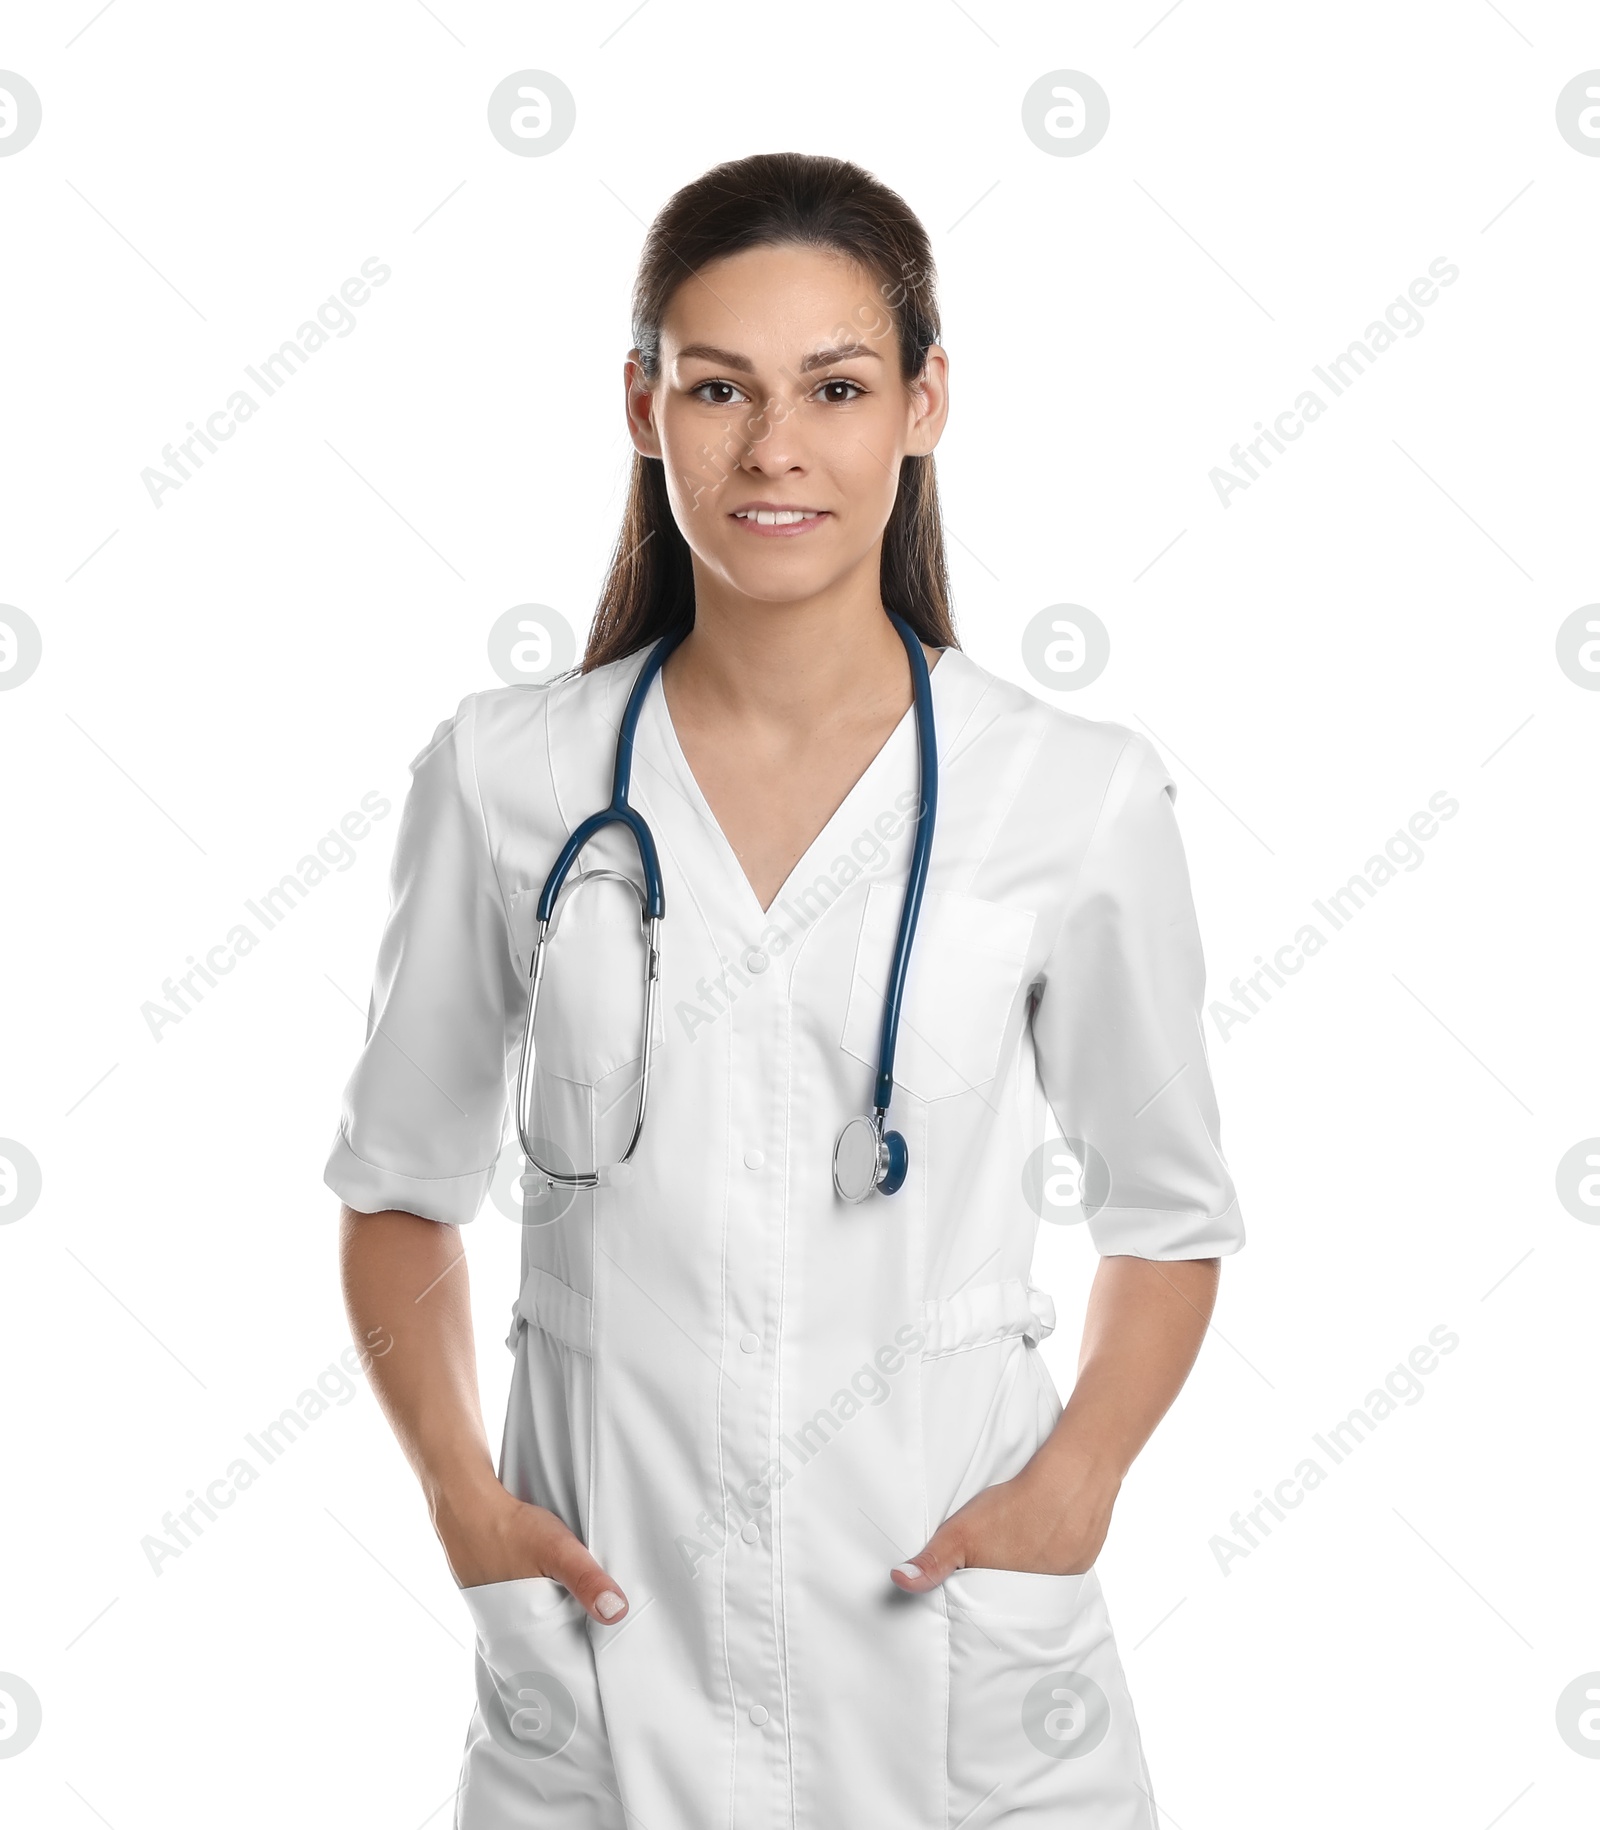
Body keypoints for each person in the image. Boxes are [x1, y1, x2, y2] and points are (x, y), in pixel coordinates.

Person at [328, 150, 1245, 1830]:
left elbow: (1167, 1216)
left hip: (956, 1661)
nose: (774, 448)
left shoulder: (1069, 793)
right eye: (717, 387)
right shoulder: (506, 776)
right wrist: (463, 1496)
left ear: (924, 403)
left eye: (834, 386)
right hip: (606, 1664)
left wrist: (1075, 1490)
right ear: (641, 405)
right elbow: (396, 1191)